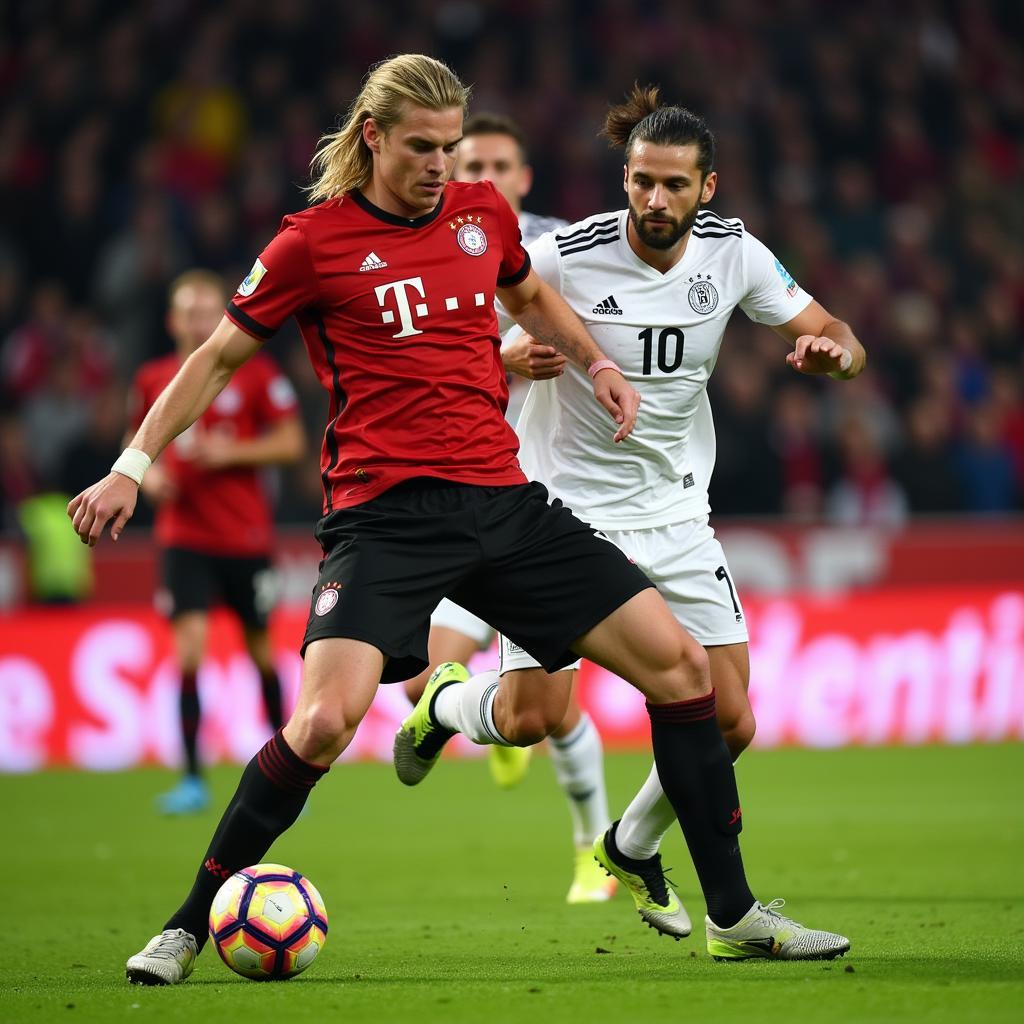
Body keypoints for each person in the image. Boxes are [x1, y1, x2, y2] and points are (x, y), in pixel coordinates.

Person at [69, 55, 810, 986]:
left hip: (504, 503)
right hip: (382, 519)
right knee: (325, 724)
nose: (441, 166)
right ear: (373, 138)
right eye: (422, 148)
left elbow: (531, 295)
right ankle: (184, 926)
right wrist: (133, 466)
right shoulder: (311, 243)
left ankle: (733, 914)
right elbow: (217, 358)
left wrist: (600, 365)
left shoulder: (481, 215)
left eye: (452, 148)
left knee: (683, 670)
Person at [398, 84, 862, 959]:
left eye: (673, 186)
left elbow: (835, 327)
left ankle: (632, 844)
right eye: (640, 182)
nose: (654, 200)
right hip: (563, 514)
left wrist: (835, 353)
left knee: (730, 719)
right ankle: (445, 705)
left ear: (707, 188)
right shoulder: (561, 257)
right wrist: (507, 353)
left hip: (677, 513)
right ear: (623, 178)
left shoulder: (736, 257)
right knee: (534, 716)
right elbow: (459, 341)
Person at [400, 111, 615, 905]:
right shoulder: (429, 244)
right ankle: (469, 710)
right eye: (471, 160)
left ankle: (592, 848)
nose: (486, 174)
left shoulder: (564, 253)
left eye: (501, 162)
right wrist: (501, 355)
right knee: (419, 676)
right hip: (454, 486)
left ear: (526, 177)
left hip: (544, 491)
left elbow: (595, 335)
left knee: (555, 710)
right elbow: (417, 358)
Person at [128, 269, 306, 813]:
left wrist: (231, 454)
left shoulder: (254, 373)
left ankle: (288, 777)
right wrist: (148, 476)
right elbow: (134, 438)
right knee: (189, 653)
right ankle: (191, 778)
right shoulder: (153, 379)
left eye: (209, 309)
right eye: (190, 310)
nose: (200, 319)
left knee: (260, 654)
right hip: (184, 537)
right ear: (173, 320)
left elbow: (293, 442)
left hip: (245, 536)